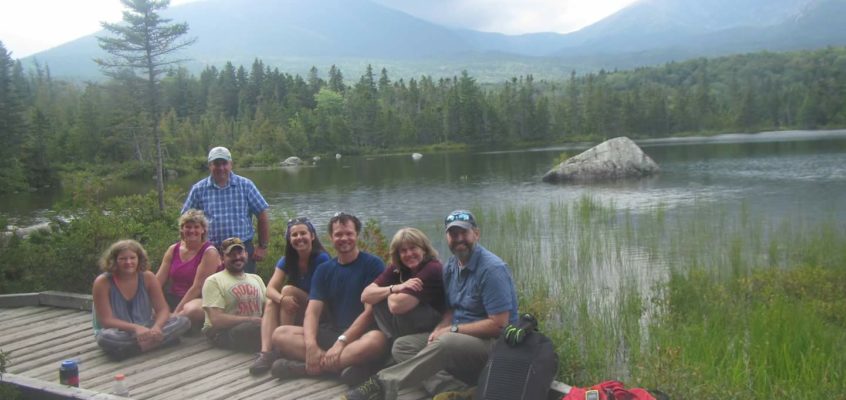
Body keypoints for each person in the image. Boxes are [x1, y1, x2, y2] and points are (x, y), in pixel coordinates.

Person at [344, 210, 519, 400]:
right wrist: (441, 326)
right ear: (446, 237)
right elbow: (452, 308)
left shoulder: (491, 269)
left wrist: (452, 330)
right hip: (458, 336)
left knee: (446, 341)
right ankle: (455, 390)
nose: (459, 239)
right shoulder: (453, 266)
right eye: (453, 234)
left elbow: (499, 325)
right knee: (402, 346)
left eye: (464, 233)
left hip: (494, 344)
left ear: (476, 234)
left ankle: (382, 382)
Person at [269, 212, 387, 384]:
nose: (344, 238)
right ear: (331, 237)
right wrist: (311, 345)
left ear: (357, 235)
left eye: (348, 233)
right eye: (338, 234)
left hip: (360, 335)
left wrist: (341, 342)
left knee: (377, 341)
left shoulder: (373, 264)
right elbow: (312, 312)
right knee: (280, 334)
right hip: (331, 331)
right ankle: (342, 366)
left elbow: (369, 313)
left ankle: (307, 368)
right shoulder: (324, 269)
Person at [249, 217, 331, 375]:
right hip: (299, 309)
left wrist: (285, 296)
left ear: (312, 236)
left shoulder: (321, 258)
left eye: (303, 233)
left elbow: (319, 296)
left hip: (320, 310)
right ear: (289, 239)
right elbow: (270, 289)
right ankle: (266, 352)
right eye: (294, 235)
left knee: (288, 290)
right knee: (273, 301)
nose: (299, 238)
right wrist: (281, 300)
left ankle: (282, 348)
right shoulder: (287, 260)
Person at [92, 240, 190, 360]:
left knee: (183, 321)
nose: (128, 262)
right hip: (120, 331)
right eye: (123, 259)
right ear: (114, 261)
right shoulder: (103, 282)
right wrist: (135, 328)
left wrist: (157, 327)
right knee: (105, 338)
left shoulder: (148, 277)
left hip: (147, 326)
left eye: (132, 258)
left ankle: (131, 350)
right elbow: (106, 321)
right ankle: (160, 342)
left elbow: (163, 309)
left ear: (139, 259)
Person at [181, 146, 270, 274]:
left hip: (241, 250)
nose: (221, 168)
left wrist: (262, 246)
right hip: (210, 250)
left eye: (224, 163)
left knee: (245, 289)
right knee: (212, 288)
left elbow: (262, 215)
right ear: (209, 166)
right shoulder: (198, 189)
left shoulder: (246, 185)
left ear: (231, 164)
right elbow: (185, 220)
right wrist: (189, 246)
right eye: (216, 164)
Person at [361, 227, 444, 341]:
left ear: (424, 249)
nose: (409, 254)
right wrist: (396, 288)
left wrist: (389, 294)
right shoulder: (399, 268)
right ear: (398, 254)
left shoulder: (432, 268)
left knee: (382, 298)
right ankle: (393, 341)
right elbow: (365, 296)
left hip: (437, 323)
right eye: (403, 251)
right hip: (411, 322)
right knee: (377, 301)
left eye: (413, 248)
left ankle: (399, 342)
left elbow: (397, 306)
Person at [155, 209, 221, 328]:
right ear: (182, 229)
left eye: (196, 227)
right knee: (148, 307)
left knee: (191, 310)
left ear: (203, 230)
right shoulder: (173, 249)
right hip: (174, 296)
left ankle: (173, 324)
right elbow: (157, 281)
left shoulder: (209, 252)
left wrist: (175, 314)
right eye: (188, 227)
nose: (192, 230)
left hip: (199, 299)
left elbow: (197, 288)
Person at [201, 237, 267, 353]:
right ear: (222, 258)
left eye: (240, 253)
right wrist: (252, 320)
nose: (237, 257)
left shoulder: (256, 279)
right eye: (231, 255)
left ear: (246, 254)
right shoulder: (214, 281)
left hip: (255, 327)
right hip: (223, 332)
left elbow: (268, 308)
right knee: (256, 328)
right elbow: (217, 320)